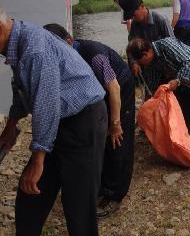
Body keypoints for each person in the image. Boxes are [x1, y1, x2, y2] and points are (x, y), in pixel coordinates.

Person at [0, 8, 107, 236]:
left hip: (84, 120)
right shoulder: (17, 42)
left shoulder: (34, 48)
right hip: (59, 122)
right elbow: (23, 88)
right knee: (29, 195)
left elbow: (45, 103)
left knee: (78, 204)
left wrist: (39, 157)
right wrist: (11, 126)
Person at [43, 24, 135, 218]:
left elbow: (114, 88)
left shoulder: (94, 55)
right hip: (98, 94)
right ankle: (101, 185)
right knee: (100, 139)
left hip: (119, 90)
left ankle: (115, 194)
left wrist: (115, 123)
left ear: (69, 41)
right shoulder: (67, 55)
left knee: (117, 141)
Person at [126, 37, 190, 161]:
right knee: (182, 116)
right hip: (183, 85)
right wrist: (152, 100)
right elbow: (151, 83)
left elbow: (189, 62)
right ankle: (183, 145)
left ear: (146, 53)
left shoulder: (167, 45)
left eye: (142, 61)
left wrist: (178, 80)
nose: (143, 65)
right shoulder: (150, 63)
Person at [118, 0, 174, 92]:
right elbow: (132, 47)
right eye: (132, 16)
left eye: (134, 15)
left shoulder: (161, 20)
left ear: (142, 6)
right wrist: (134, 62)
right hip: (149, 73)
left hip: (166, 71)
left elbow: (173, 46)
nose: (134, 18)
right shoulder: (135, 24)